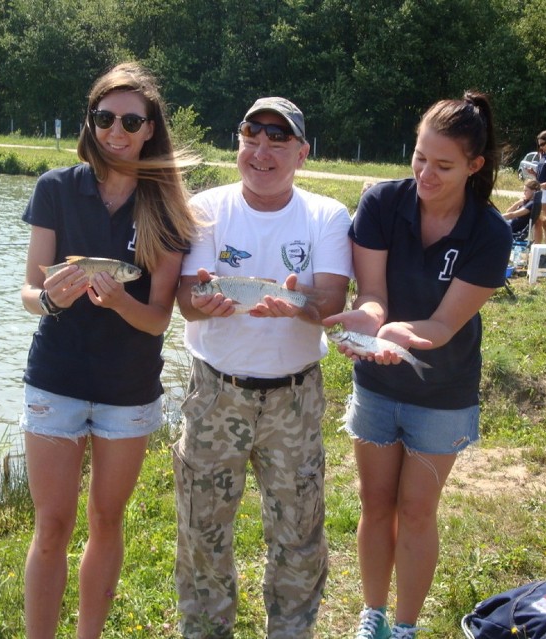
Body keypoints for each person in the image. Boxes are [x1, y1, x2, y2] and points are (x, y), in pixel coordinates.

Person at [19, 61, 197, 639]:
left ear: (150, 129)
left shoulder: (167, 207)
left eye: (129, 120)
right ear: (89, 121)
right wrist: (50, 299)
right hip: (55, 381)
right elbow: (28, 291)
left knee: (106, 519)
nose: (115, 131)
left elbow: (158, 321)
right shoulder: (55, 188)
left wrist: (119, 301)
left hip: (128, 391)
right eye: (103, 117)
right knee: (51, 524)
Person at [323, 91, 512, 639]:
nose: (426, 173)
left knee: (416, 510)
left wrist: (401, 334)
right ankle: (372, 615)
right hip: (376, 383)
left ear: (474, 167)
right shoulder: (381, 203)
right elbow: (374, 295)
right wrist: (369, 320)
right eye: (419, 157)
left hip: (443, 393)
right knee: (374, 503)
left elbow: (445, 325)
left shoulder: (490, 233)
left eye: (444, 165)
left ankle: (404, 626)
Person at [173, 97, 353, 639]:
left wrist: (302, 305)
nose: (263, 150)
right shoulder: (205, 207)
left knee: (298, 534)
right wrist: (201, 301)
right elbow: (186, 299)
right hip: (214, 393)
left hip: (293, 400)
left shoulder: (326, 214)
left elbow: (328, 303)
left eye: (279, 140)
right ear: (238, 144)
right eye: (252, 136)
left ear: (301, 153)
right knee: (201, 532)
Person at [503, 178, 542, 242]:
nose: (524, 193)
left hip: (510, 228)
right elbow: (508, 211)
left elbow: (511, 215)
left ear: (534, 191)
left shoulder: (531, 204)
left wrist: (497, 218)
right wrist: (518, 203)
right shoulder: (527, 201)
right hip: (508, 224)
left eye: (526, 191)